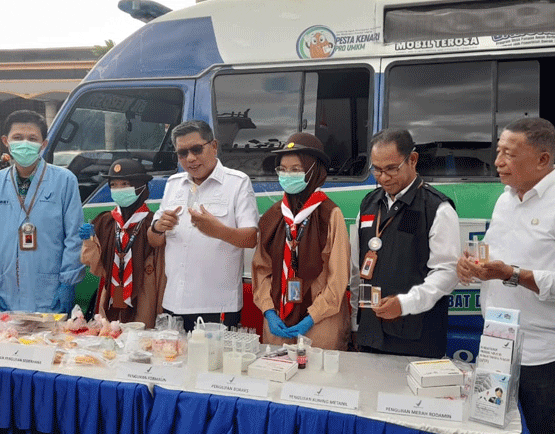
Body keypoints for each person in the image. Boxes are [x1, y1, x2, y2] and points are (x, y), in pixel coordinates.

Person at [456, 117, 555, 434]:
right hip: (497, 345)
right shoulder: (505, 200)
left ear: (542, 159)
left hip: (545, 356)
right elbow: (494, 255)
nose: (497, 162)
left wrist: (511, 274)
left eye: (509, 154)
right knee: (489, 427)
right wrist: (474, 266)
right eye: (498, 151)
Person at [350, 128, 461, 358]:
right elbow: (356, 267)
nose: (383, 177)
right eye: (376, 169)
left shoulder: (436, 208)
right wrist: (354, 323)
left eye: (391, 168)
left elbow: (447, 273)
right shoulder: (369, 204)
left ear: (412, 159)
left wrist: (405, 303)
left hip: (415, 337)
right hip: (370, 333)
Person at [147, 120, 258, 332]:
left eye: (197, 149)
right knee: (172, 361)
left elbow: (251, 238)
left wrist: (218, 231)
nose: (190, 158)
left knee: (213, 365)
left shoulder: (237, 183)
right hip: (173, 302)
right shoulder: (173, 184)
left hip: (216, 305)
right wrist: (158, 227)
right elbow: (153, 239)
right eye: (182, 153)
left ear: (214, 146)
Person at [0, 110, 85, 313]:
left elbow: (74, 236)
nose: (24, 143)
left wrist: (68, 283)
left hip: (49, 291)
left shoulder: (64, 180)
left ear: (43, 144)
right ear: (6, 141)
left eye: (32, 138)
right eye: (18, 137)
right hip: (3, 290)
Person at [252, 133, 351, 350]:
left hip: (320, 324)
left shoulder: (330, 215)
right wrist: (268, 311)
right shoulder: (272, 216)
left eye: (296, 169)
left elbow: (338, 278)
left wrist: (311, 317)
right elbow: (261, 269)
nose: (287, 175)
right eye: (283, 169)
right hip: (278, 323)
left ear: (313, 170)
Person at [79, 158, 165, 327]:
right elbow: (95, 266)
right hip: (111, 297)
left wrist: (162, 311)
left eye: (125, 184)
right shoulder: (105, 221)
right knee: (110, 340)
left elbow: (162, 273)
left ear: (141, 186)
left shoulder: (152, 224)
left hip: (144, 295)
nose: (118, 190)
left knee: (141, 340)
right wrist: (89, 242)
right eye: (113, 185)